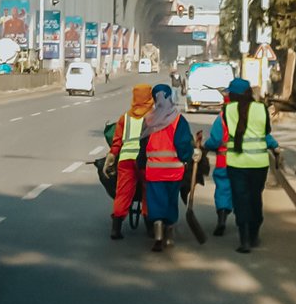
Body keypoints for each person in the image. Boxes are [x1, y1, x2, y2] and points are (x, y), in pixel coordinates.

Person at [205, 77, 278, 254]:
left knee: (241, 200)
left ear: (233, 95)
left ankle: (244, 240)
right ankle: (254, 235)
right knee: (255, 198)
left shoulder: (228, 110)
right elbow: (266, 132)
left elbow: (222, 134)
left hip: (236, 163)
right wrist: (276, 150)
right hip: (259, 164)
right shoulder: (261, 109)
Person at [139, 82, 194, 253]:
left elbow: (143, 144)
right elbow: (183, 144)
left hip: (154, 171)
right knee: (171, 201)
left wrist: (141, 164)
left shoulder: (149, 120)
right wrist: (188, 157)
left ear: (155, 99)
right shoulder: (179, 120)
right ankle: (169, 236)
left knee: (155, 202)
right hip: (174, 171)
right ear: (170, 97)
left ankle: (157, 237)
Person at [104, 84, 152, 239]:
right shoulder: (154, 116)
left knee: (123, 193)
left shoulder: (125, 118)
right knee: (148, 192)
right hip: (145, 161)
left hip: (126, 160)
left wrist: (110, 158)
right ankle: (151, 228)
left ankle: (115, 228)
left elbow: (116, 142)